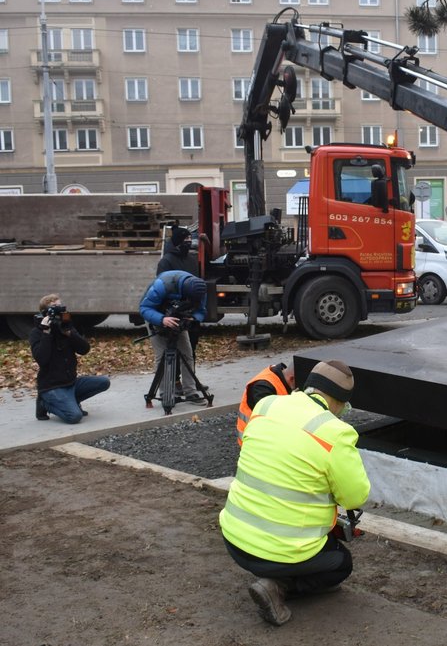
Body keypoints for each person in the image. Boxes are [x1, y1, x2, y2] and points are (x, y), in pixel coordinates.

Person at [219, 360, 370, 626]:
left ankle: (273, 578)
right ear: (339, 402)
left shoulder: (267, 405)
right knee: (340, 563)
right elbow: (355, 498)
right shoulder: (335, 432)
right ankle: (278, 587)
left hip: (234, 540)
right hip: (280, 552)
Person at [29, 294, 110, 424]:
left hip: (71, 382)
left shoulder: (66, 327)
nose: (59, 312)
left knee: (104, 382)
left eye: (61, 308)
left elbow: (84, 349)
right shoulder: (37, 332)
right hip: (52, 387)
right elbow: (42, 360)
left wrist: (70, 334)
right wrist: (46, 333)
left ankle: (71, 400)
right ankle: (44, 403)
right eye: (54, 309)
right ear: (45, 313)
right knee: (74, 416)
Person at [138, 270, 208, 403]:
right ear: (182, 292)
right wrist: (162, 319)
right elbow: (144, 308)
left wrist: (193, 318)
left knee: (187, 354)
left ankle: (191, 392)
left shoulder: (200, 289)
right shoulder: (163, 285)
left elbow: (201, 311)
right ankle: (166, 394)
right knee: (163, 356)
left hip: (177, 318)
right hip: (156, 316)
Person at [156, 226, 202, 386]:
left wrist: (195, 312)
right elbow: (162, 286)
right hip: (174, 311)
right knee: (173, 348)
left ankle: (191, 381)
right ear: (176, 242)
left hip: (190, 311)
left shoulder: (192, 260)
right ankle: (174, 381)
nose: (188, 242)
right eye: (185, 240)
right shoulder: (166, 261)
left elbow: (198, 284)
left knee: (190, 349)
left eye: (190, 239)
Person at [235, 361, 296, 446]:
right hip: (253, 442)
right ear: (292, 379)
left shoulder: (281, 375)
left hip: (264, 438)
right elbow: (272, 422)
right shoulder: (262, 388)